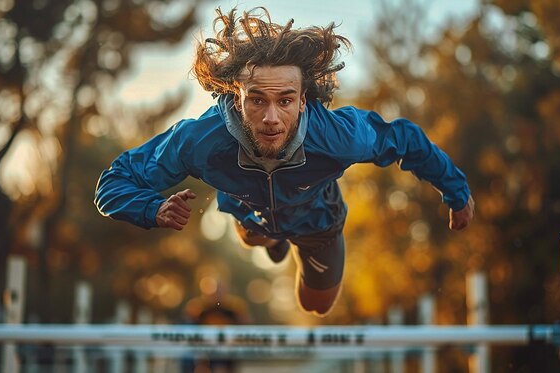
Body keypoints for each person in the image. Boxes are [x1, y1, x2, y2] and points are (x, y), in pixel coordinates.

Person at [94, 7, 475, 317]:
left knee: (316, 306)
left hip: (317, 221)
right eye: (257, 100)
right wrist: (152, 207)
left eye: (285, 101)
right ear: (236, 96)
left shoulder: (339, 137)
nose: (271, 118)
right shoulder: (199, 142)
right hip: (250, 214)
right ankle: (267, 238)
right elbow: (112, 182)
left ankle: (283, 240)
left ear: (303, 100)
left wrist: (456, 192)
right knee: (254, 232)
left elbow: (406, 140)